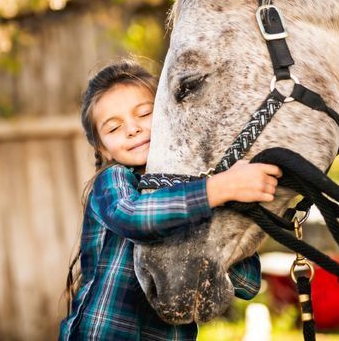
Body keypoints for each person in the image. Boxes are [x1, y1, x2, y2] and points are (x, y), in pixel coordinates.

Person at [60, 59, 282, 340]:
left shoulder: (195, 190)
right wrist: (219, 189)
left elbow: (247, 284)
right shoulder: (113, 180)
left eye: (144, 114)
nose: (132, 129)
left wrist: (229, 205)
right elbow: (132, 216)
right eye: (114, 128)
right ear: (103, 150)